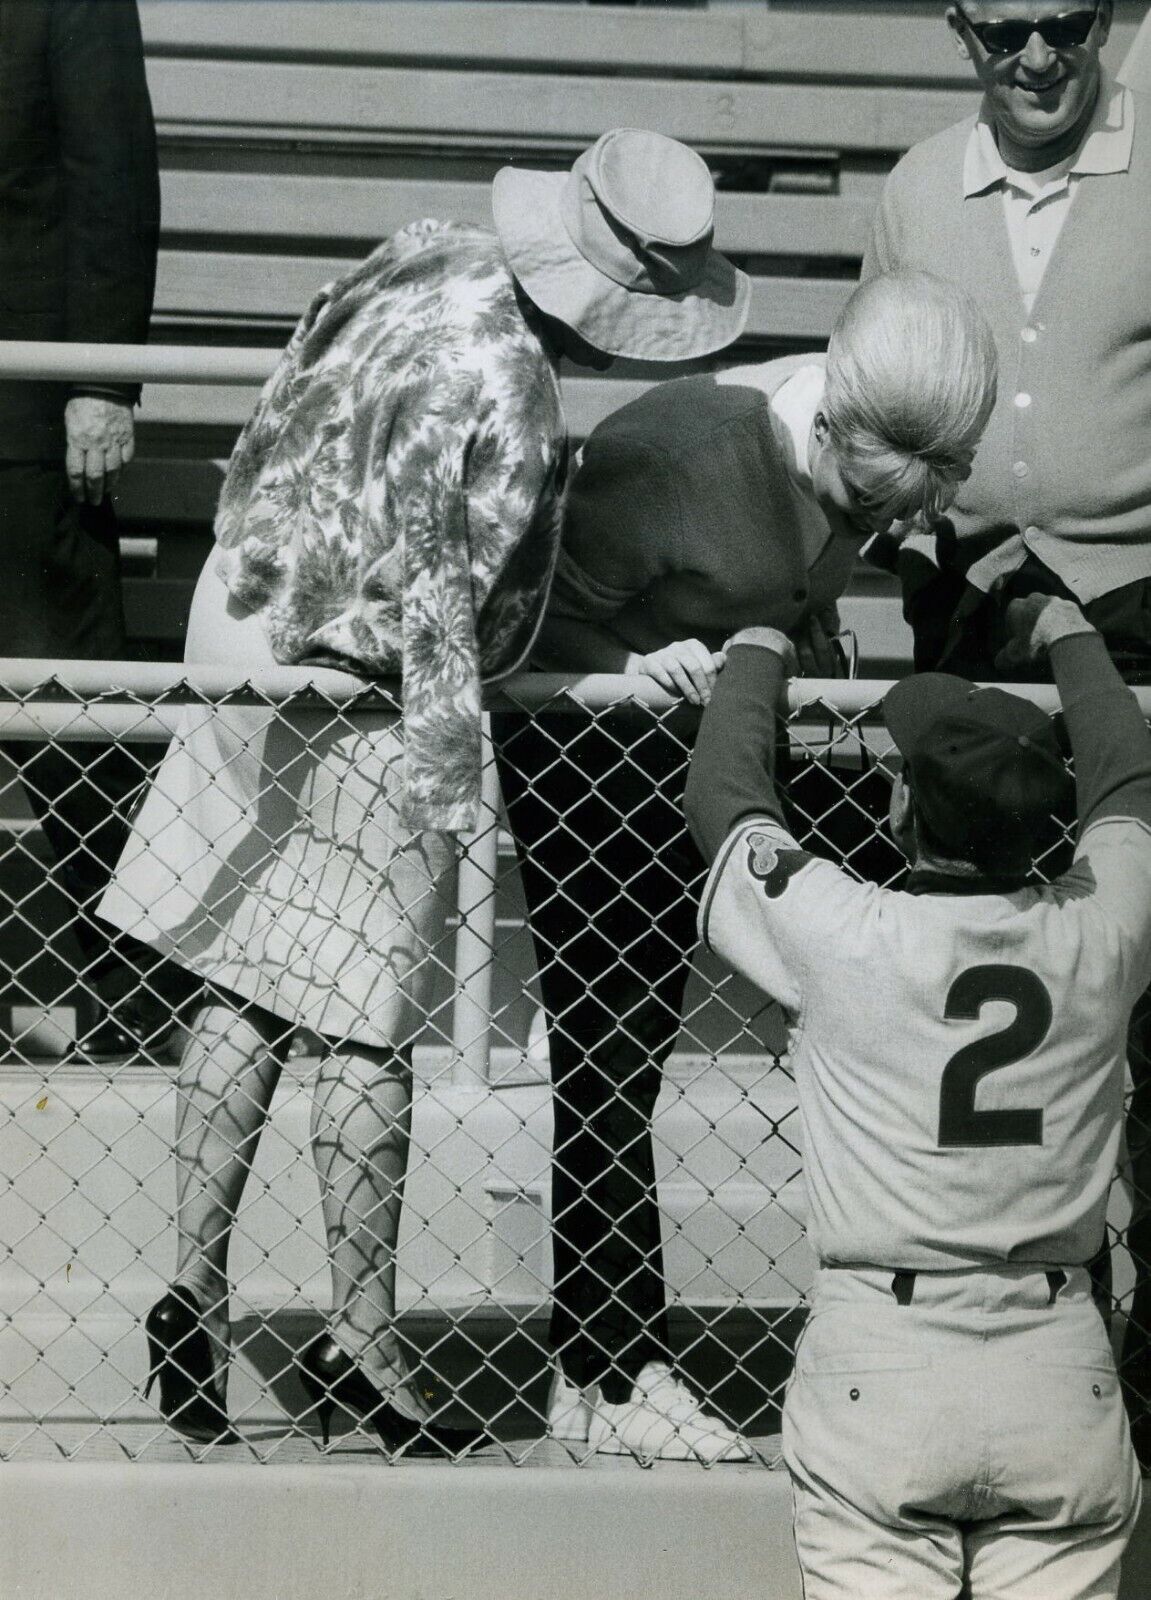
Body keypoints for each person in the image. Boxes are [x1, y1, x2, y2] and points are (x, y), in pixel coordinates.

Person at [97, 128, 751, 1451]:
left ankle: (193, 1288)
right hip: (367, 682)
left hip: (242, 615)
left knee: (240, 979)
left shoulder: (418, 254)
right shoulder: (514, 391)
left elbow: (279, 402)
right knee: (361, 1023)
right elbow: (449, 604)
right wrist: (459, 775)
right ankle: (363, 1349)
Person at [493, 269, 998, 1462]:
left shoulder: (858, 457)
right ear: (823, 420)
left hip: (716, 743)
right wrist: (640, 656)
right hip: (593, 747)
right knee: (614, 1054)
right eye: (859, 501)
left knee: (890, 983)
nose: (873, 530)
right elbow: (520, 625)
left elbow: (795, 571)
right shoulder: (677, 457)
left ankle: (931, 1315)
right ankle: (605, 1371)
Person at [683, 592, 1148, 1598]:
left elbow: (724, 796)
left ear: (900, 811)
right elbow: (1128, 778)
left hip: (880, 1353)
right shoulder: (1098, 930)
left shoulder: (845, 932)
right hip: (1054, 1356)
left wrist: (758, 646)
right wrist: (1069, 631)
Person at [862, 0, 1151, 1465]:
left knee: (1139, 991)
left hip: (1143, 614)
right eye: (998, 30)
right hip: (968, 620)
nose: (1033, 58)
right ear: (955, 31)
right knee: (979, 981)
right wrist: (932, 552)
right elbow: (883, 402)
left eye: (1062, 22)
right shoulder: (918, 189)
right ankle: (1005, 1323)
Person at [0, 0, 176, 1059]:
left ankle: (133, 986)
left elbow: (113, 175)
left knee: (80, 713)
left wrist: (100, 380)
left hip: (23, 415)